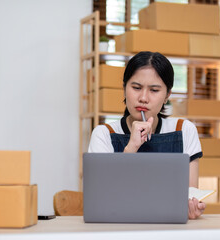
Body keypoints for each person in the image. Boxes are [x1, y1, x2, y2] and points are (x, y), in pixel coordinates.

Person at [88, 51, 206, 219]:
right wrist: (132, 147)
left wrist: (192, 207)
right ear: (124, 89)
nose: (143, 98)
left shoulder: (184, 130)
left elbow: (190, 194)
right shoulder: (104, 134)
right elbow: (102, 198)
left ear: (167, 95)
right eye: (136, 88)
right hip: (117, 227)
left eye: (154, 90)